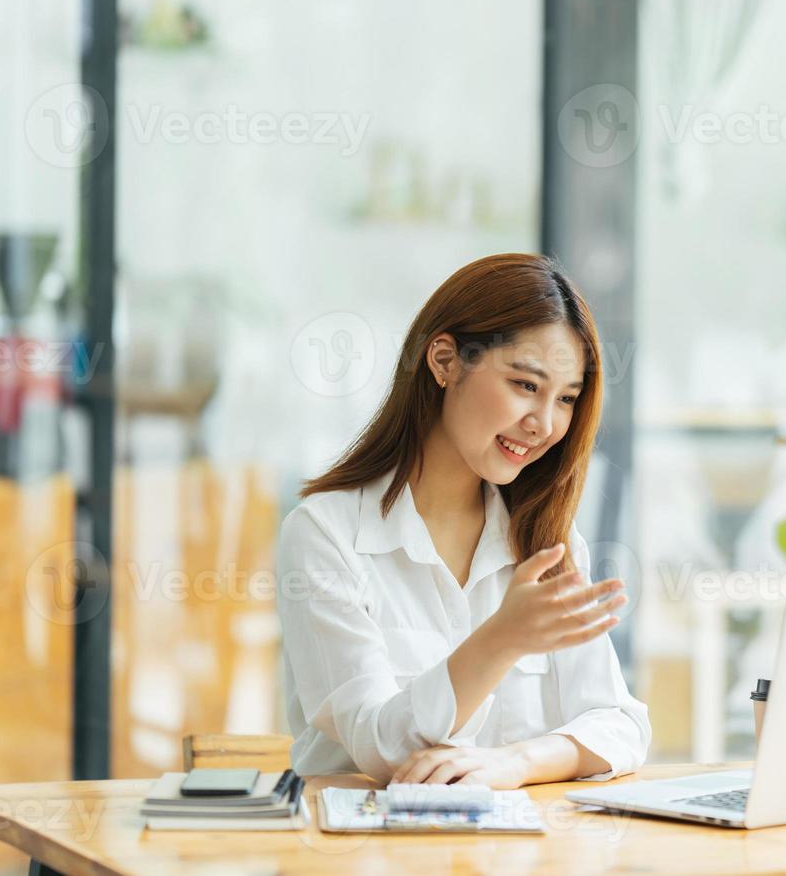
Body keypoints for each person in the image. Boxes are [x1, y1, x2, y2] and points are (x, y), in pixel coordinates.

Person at [276, 253, 650, 787]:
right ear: (445, 361)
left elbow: (621, 724)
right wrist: (501, 639)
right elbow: (380, 749)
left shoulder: (547, 541)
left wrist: (515, 763)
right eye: (525, 385)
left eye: (566, 399)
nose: (544, 424)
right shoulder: (325, 535)